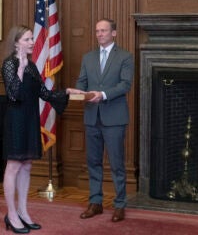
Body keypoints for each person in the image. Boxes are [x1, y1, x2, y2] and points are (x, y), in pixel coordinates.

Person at [1, 25, 83, 234]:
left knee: (27, 164)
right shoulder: (10, 64)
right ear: (17, 41)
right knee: (13, 165)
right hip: (15, 119)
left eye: (31, 39)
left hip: (30, 118)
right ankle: (11, 214)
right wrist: (19, 67)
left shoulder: (32, 65)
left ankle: (23, 211)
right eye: (27, 39)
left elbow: (44, 94)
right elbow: (14, 95)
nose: (31, 43)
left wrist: (66, 92)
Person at [76, 18, 134, 222]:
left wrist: (103, 94)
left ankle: (119, 205)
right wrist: (77, 91)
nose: (99, 34)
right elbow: (81, 82)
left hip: (114, 118)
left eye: (104, 30)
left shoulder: (125, 57)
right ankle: (95, 203)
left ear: (114, 33)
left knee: (117, 164)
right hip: (92, 117)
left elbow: (125, 85)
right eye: (97, 31)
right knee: (93, 162)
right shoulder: (88, 57)